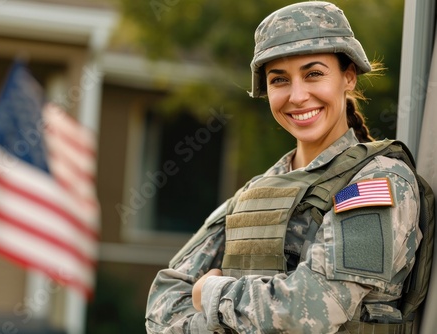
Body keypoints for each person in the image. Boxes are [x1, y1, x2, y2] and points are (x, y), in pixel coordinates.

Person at [145, 2, 424, 333]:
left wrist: (210, 293)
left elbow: (313, 307)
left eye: (314, 74)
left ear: (348, 77)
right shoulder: (256, 192)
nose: (297, 95)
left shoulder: (376, 181)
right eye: (279, 80)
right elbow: (161, 307)